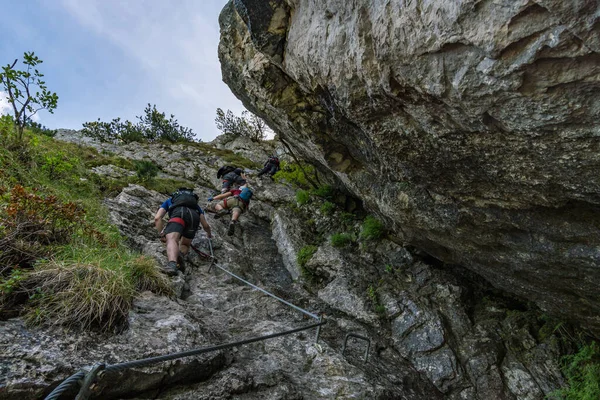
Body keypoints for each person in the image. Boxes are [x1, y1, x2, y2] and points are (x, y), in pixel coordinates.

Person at [154, 187, 212, 276]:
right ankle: (180, 254)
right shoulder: (195, 206)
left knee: (172, 239)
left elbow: (157, 218)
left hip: (178, 214)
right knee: (185, 244)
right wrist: (209, 235)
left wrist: (162, 234)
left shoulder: (170, 200)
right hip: (194, 218)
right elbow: (205, 225)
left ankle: (172, 264)